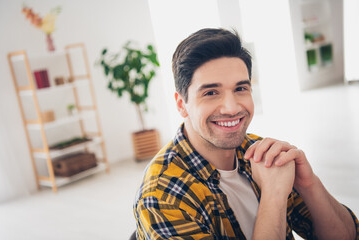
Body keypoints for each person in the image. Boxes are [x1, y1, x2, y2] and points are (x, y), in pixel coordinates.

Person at [133, 28, 358, 239]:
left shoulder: (262, 153)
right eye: (211, 92)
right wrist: (273, 196)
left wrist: (309, 184)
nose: (231, 108)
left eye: (241, 88)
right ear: (182, 104)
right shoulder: (161, 196)